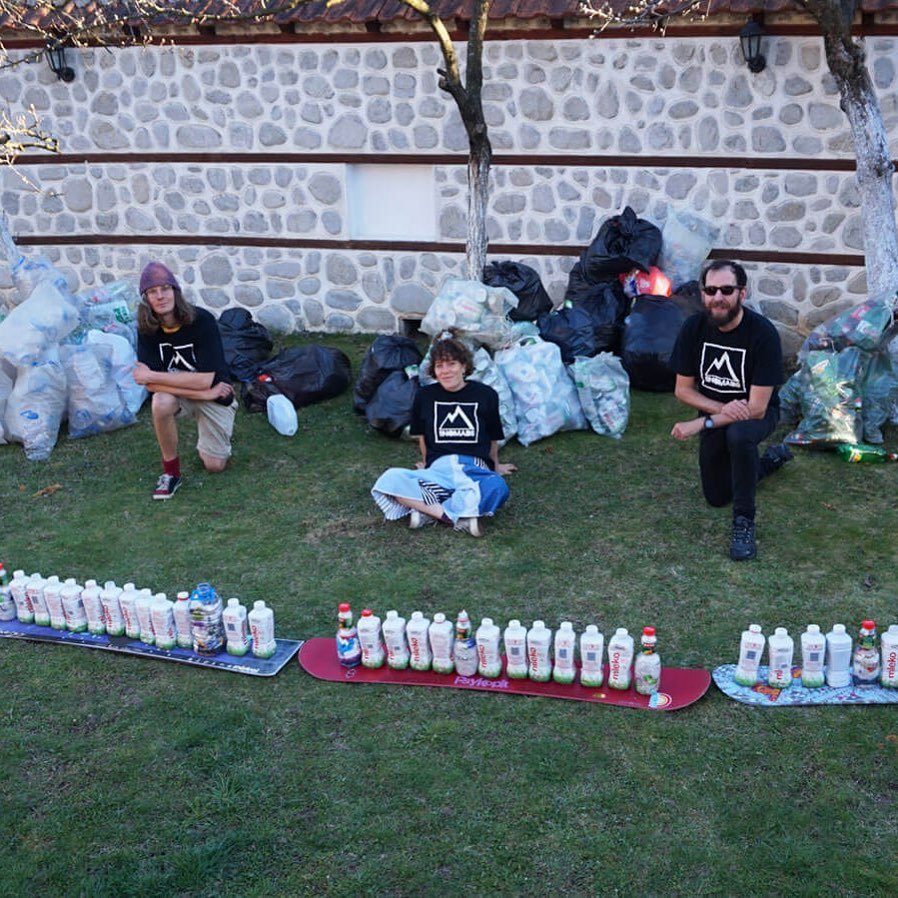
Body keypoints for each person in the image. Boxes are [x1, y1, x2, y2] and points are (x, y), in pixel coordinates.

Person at [669, 260, 792, 560]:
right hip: (718, 411)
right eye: (710, 290)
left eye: (726, 289)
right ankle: (770, 461)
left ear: (742, 293)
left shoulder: (762, 334)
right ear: (703, 294)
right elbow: (682, 390)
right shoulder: (693, 328)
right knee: (716, 496)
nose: (717, 297)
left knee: (738, 435)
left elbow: (757, 409)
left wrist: (700, 424)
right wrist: (720, 410)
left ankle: (744, 521)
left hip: (757, 414)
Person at [371, 330, 517, 537]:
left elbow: (493, 435)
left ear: (464, 366)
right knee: (390, 479)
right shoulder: (425, 396)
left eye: (451, 364)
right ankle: (453, 515)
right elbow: (421, 435)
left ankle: (427, 512)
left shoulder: (486, 395)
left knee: (497, 487)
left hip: (474, 468)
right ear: (434, 371)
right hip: (439, 469)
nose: (445, 371)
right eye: (440, 366)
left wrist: (495, 466)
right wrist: (427, 463)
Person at [133, 261, 236, 500]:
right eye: (152, 292)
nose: (160, 296)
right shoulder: (146, 329)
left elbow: (205, 380)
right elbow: (151, 388)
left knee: (214, 465)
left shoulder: (203, 321)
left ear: (175, 292)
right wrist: (201, 392)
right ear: (146, 299)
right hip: (191, 393)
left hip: (217, 394)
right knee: (160, 402)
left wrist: (151, 375)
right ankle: (171, 473)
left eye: (165, 289)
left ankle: (212, 434)